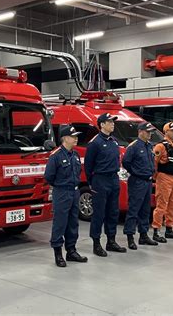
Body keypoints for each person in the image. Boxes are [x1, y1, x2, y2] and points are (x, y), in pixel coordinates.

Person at [44, 125, 88, 267]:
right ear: (65, 138)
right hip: (62, 192)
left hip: (74, 192)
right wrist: (61, 185)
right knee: (60, 223)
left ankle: (71, 251)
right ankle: (58, 253)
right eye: (73, 136)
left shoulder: (75, 155)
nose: (76, 139)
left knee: (73, 223)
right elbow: (49, 177)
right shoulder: (55, 156)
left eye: (76, 136)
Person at [85, 113, 127, 257]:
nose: (113, 124)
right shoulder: (95, 143)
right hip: (100, 180)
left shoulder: (114, 141)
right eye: (109, 122)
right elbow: (88, 166)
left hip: (113, 179)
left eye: (113, 122)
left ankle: (111, 240)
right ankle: (96, 243)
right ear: (102, 124)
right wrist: (92, 183)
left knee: (113, 212)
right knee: (99, 213)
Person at [122, 122, 159, 250]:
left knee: (145, 210)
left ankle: (143, 235)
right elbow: (126, 162)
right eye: (147, 132)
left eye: (150, 132)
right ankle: (130, 237)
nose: (150, 134)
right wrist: (135, 172)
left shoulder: (149, 146)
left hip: (148, 182)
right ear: (141, 132)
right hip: (137, 181)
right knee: (134, 209)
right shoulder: (133, 147)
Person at [151, 122, 173, 243]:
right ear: (166, 132)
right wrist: (156, 177)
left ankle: (169, 229)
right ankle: (156, 230)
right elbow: (154, 163)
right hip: (164, 177)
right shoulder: (160, 146)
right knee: (161, 205)